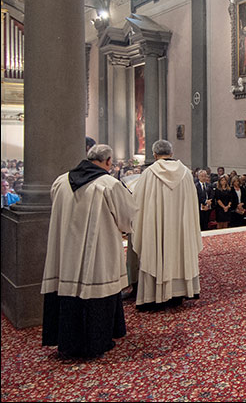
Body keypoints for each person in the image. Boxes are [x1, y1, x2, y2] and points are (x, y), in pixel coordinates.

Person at [41, 144, 137, 358]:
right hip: (98, 252)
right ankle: (96, 342)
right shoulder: (109, 185)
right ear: (109, 161)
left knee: (69, 295)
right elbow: (126, 218)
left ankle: (67, 343)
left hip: (65, 252)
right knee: (97, 291)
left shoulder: (61, 181)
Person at [130, 139, 202, 311]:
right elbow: (193, 202)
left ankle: (154, 295)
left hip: (155, 227)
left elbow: (136, 203)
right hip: (180, 228)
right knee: (179, 252)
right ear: (172, 153)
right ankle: (178, 293)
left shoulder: (149, 173)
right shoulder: (185, 173)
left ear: (154, 154)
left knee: (155, 251)